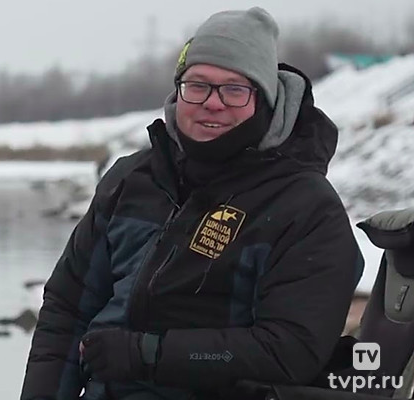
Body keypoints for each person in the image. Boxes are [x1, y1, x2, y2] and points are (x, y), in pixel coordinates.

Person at [21, 7, 364, 400]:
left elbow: (290, 350)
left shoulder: (305, 206)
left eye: (235, 89)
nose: (213, 103)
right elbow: (67, 309)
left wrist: (148, 355)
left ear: (265, 100)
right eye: (197, 85)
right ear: (178, 91)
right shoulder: (130, 181)